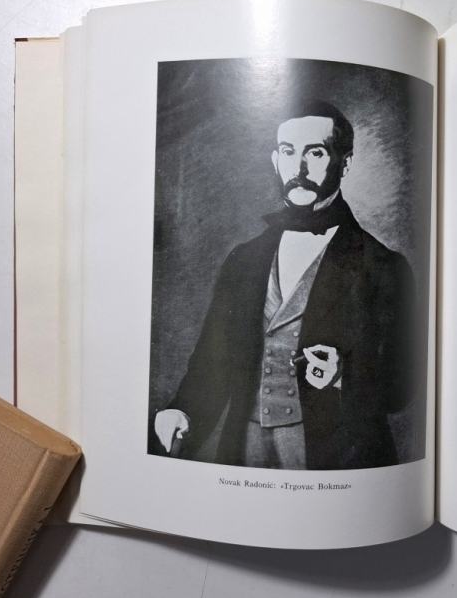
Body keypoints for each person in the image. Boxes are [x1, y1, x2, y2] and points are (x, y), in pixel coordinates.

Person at [151, 99, 417, 470]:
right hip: (244, 448)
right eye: (289, 152)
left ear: (345, 163)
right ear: (276, 160)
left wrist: (343, 375)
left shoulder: (384, 266)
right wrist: (182, 410)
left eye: (316, 153)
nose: (300, 168)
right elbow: (212, 361)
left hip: (336, 455)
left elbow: (402, 388)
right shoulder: (243, 259)